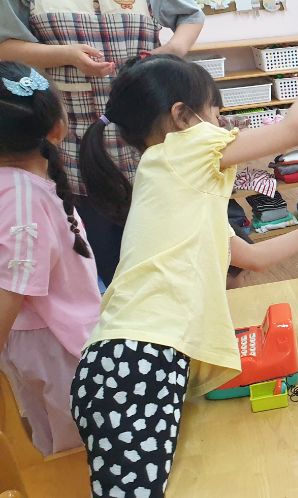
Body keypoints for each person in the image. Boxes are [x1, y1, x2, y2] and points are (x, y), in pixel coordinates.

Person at [69, 51, 298, 496]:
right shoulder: (182, 149)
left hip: (132, 359)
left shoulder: (182, 187)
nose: (223, 127)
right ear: (182, 117)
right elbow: (297, 129)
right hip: (138, 360)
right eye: (217, 114)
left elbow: (252, 258)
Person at [0, 0, 206, 286]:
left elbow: (191, 15)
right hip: (76, 150)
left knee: (164, 262)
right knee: (102, 263)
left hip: (150, 146)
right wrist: (66, 55)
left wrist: (174, 49)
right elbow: (5, 48)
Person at [0, 61, 99, 457]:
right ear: (58, 128)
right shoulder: (23, 198)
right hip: (53, 344)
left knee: (61, 436)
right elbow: (12, 288)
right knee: (72, 447)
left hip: (51, 337)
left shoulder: (20, 188)